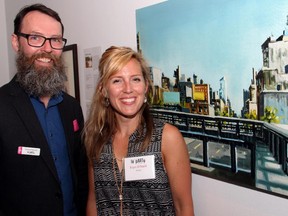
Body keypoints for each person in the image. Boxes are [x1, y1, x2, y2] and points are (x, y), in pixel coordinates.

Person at [84, 46, 195, 216]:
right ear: (103, 90)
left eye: (135, 79)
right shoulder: (96, 139)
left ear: (146, 87)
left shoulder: (166, 138)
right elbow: (94, 201)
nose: (128, 89)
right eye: (117, 80)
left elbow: (183, 208)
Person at [0, 4, 88, 216]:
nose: (47, 49)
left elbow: (80, 171)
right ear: (16, 42)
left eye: (55, 40)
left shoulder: (72, 107)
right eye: (36, 38)